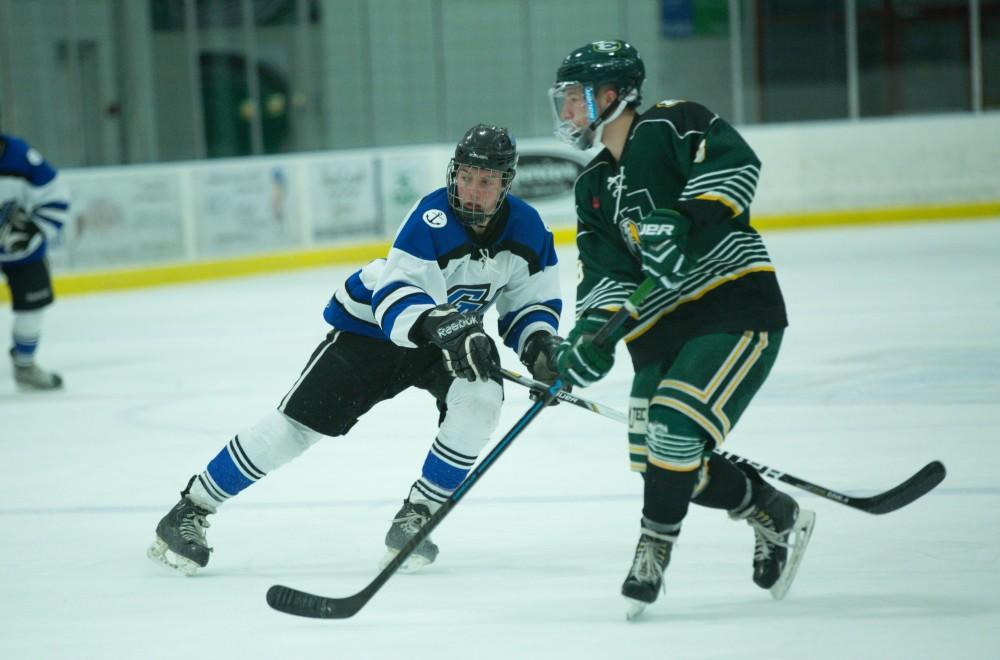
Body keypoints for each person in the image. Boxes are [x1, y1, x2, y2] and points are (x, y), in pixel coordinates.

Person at [148, 124, 564, 576]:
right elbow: (399, 293)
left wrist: (540, 345)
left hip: (447, 342)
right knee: (296, 429)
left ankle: (418, 515)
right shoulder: (431, 218)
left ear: (506, 183)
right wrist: (445, 325)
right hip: (373, 334)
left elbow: (531, 302)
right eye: (465, 175)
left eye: (485, 181)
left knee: (481, 398)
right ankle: (190, 509)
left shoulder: (528, 230)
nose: (471, 190)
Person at [546, 40, 815, 618]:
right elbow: (605, 278)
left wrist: (683, 218)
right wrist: (589, 340)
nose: (567, 111)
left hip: (731, 308)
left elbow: (737, 164)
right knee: (664, 466)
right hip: (659, 336)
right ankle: (769, 509)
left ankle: (653, 549)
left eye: (575, 98)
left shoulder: (673, 123)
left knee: (672, 433)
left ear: (611, 95)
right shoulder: (591, 184)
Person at [1, 133, 69, 390]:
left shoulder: (23, 158)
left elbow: (57, 196)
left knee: (32, 309)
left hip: (23, 252)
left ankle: (25, 365)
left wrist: (32, 230)